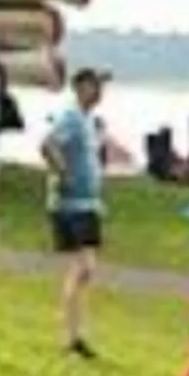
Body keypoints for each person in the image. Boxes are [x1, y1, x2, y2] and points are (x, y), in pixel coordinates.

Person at [42, 67, 109, 358]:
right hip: (73, 204)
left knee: (85, 269)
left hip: (88, 203)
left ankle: (76, 330)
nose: (100, 92)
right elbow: (48, 144)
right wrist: (64, 174)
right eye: (95, 86)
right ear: (81, 88)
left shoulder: (88, 120)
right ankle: (72, 334)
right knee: (83, 267)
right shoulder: (71, 117)